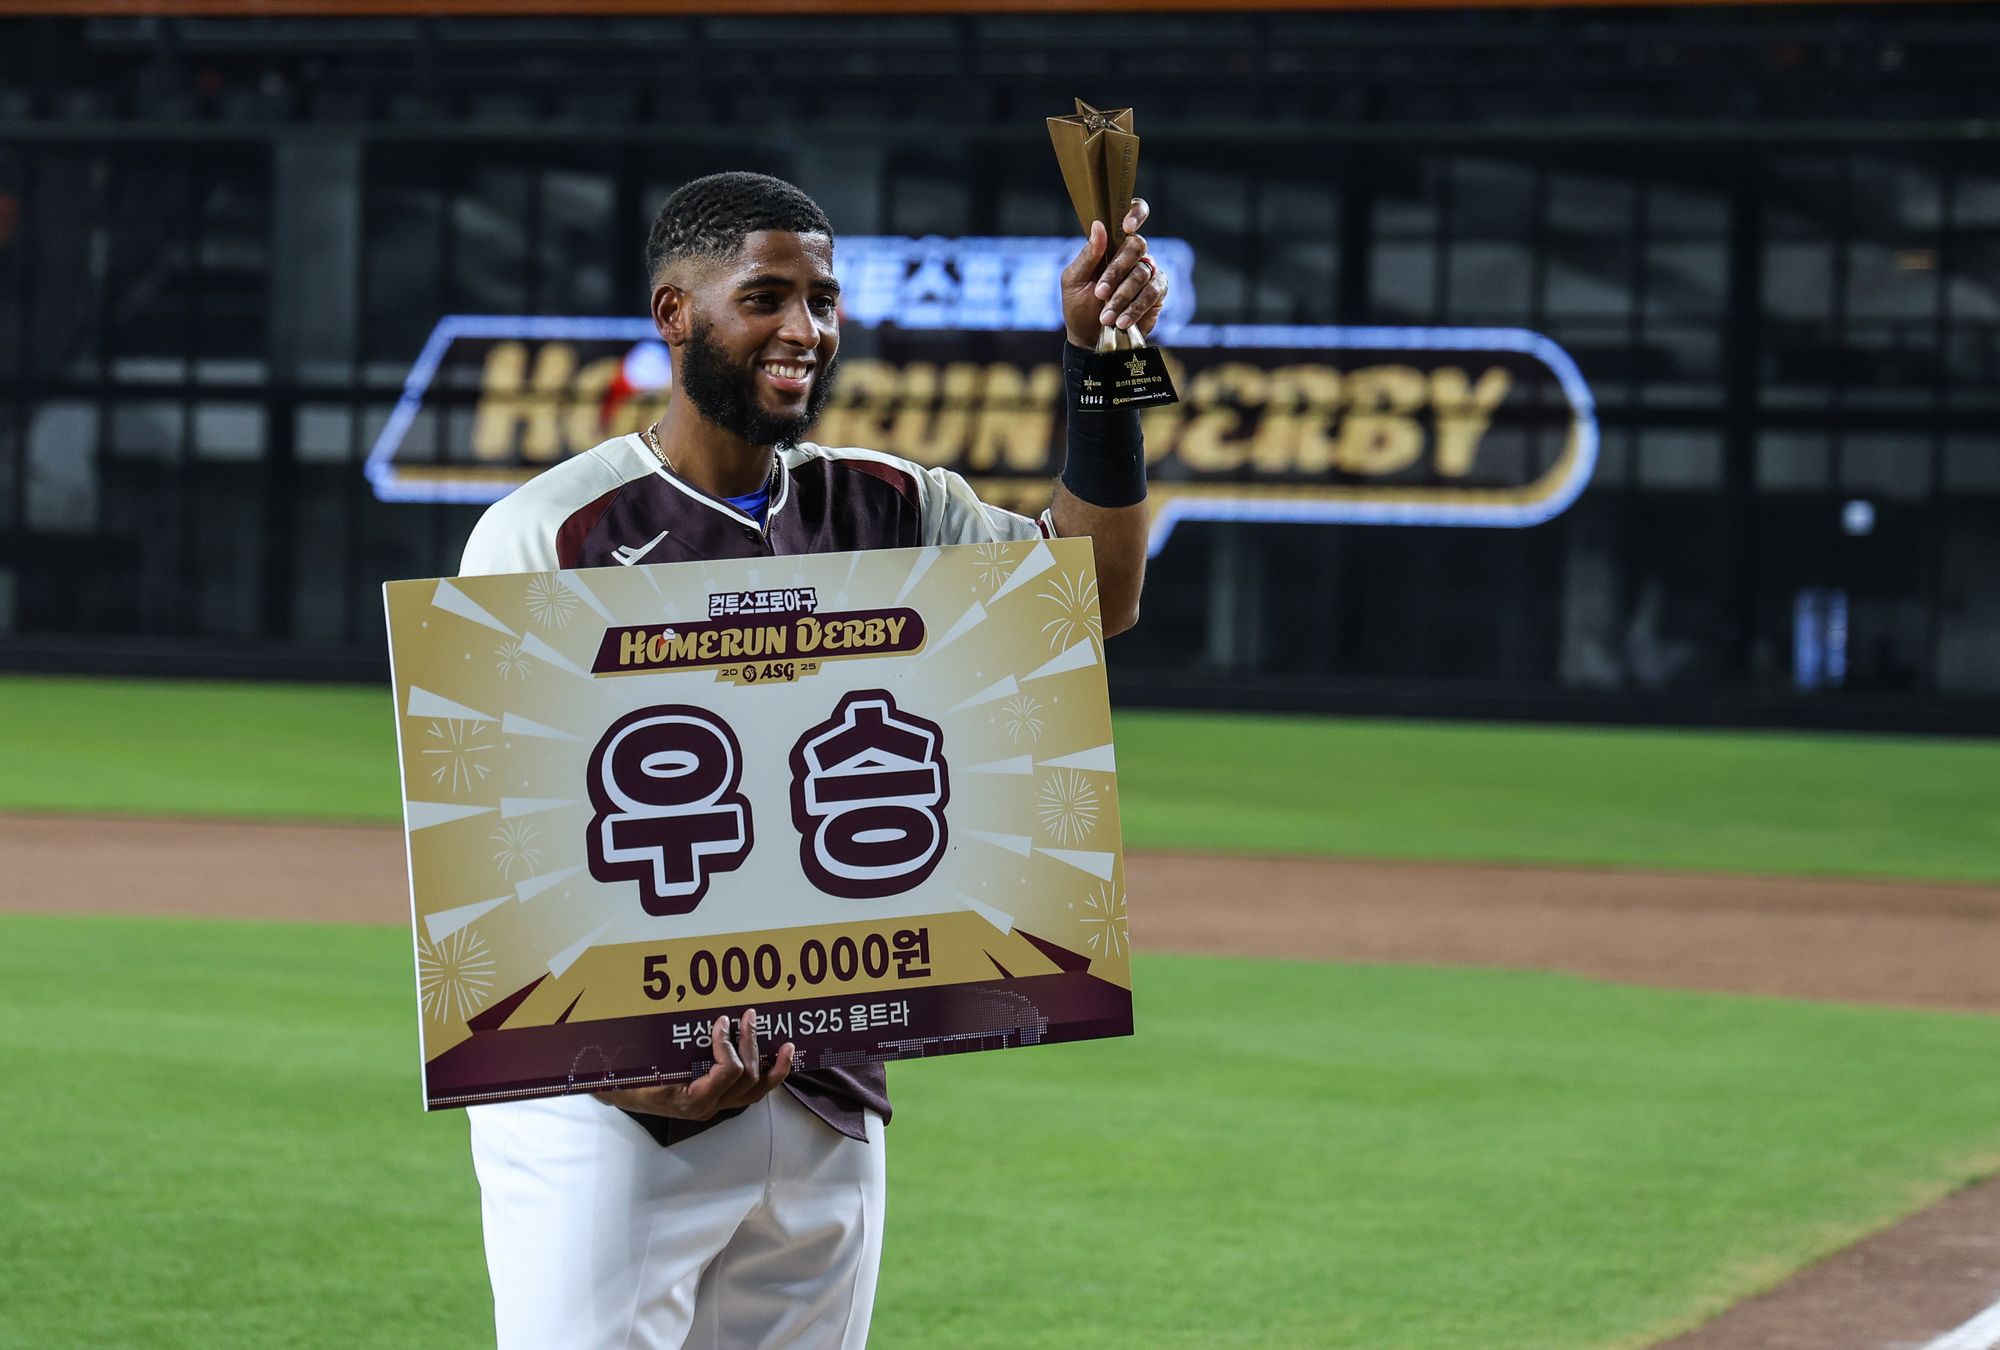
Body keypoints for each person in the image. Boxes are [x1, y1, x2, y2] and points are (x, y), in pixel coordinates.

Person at [457, 170, 1168, 1349]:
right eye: (766, 298)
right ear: (675, 313)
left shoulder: (890, 506)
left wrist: (1102, 362)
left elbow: (1096, 596)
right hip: (612, 1111)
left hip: (828, 1083)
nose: (806, 329)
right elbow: (488, 834)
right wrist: (603, 1066)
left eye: (823, 301)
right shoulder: (551, 531)